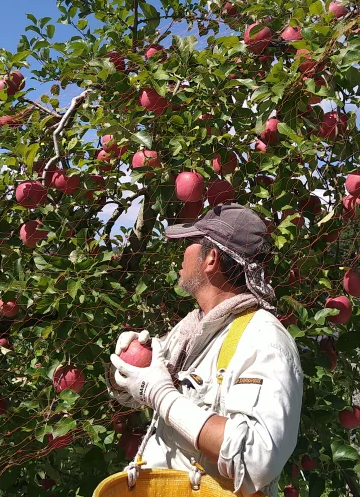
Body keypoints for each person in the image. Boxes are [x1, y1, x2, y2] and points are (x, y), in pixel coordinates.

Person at [108, 203, 303, 497]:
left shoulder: (263, 339)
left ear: (210, 259)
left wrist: (163, 396)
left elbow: (257, 459)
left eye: (190, 243)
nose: (181, 253)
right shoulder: (190, 332)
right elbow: (131, 396)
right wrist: (124, 368)